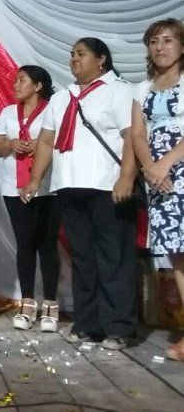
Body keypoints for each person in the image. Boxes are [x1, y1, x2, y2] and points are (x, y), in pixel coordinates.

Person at [23, 38, 137, 350]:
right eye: (72, 54)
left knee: (113, 257)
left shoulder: (120, 91)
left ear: (101, 60)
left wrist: (127, 177)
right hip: (69, 186)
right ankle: (88, 324)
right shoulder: (63, 97)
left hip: (107, 185)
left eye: (81, 54)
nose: (74, 59)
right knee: (83, 258)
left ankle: (119, 327)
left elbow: (132, 136)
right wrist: (35, 180)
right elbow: (46, 141)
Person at [130, 18, 184, 360]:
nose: (160, 47)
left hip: (179, 166)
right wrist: (151, 168)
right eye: (154, 41)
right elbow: (138, 134)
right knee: (178, 254)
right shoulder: (143, 88)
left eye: (167, 40)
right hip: (158, 179)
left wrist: (166, 163)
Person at [0, 66, 60, 332]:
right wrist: (11, 144)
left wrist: (40, 144)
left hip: (48, 187)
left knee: (47, 244)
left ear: (38, 85)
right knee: (25, 243)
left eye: (22, 80)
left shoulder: (53, 110)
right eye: (15, 80)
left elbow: (62, 142)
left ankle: (51, 304)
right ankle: (28, 302)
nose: (15, 85)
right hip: (14, 187)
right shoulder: (9, 113)